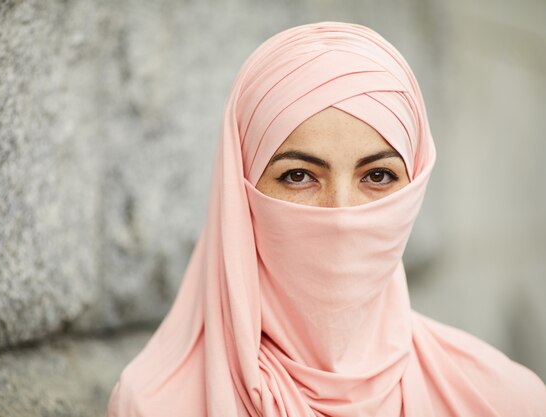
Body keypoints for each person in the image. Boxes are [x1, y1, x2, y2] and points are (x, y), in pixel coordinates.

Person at [106, 22, 546, 416]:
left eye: (377, 175)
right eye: (298, 176)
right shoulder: (153, 404)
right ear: (241, 195)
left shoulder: (502, 399)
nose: (342, 215)